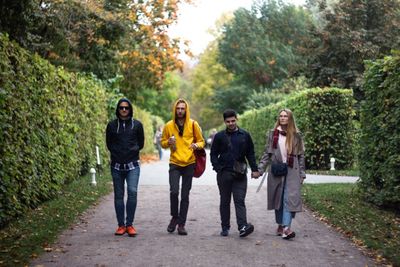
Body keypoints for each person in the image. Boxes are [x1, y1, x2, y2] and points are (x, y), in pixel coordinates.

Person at [210, 109, 260, 237]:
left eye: (233, 121)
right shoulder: (219, 136)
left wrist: (254, 169)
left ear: (236, 119)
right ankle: (225, 227)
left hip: (240, 173)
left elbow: (250, 153)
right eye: (228, 122)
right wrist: (217, 168)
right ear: (224, 122)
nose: (231, 123)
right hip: (224, 173)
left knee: (239, 200)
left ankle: (242, 226)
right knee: (225, 201)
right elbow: (213, 154)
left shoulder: (245, 135)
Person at [258, 108, 306, 240]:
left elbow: (301, 156)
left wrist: (302, 174)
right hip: (277, 170)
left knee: (289, 199)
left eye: (285, 116)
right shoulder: (272, 134)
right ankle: (280, 224)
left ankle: (286, 228)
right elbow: (266, 154)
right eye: (281, 116)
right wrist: (260, 169)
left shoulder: (297, 136)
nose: (283, 118)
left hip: (292, 170)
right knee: (278, 198)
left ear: (290, 119)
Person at [161, 98, 205, 235]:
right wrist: (168, 142)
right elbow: (162, 143)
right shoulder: (168, 125)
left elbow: (202, 141)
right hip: (174, 163)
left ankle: (181, 224)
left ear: (186, 110)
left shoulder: (193, 124)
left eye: (182, 108)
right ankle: (175, 216)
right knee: (174, 191)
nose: (180, 111)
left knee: (185, 195)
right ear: (175, 110)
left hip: (189, 163)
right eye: (178, 108)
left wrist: (196, 145)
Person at [106, 98, 144, 237]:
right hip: (116, 166)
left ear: (130, 109)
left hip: (133, 165)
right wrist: (117, 153)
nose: (123, 110)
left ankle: (130, 225)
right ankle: (121, 225)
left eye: (126, 108)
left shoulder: (137, 125)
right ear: (118, 109)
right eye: (121, 108)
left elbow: (141, 143)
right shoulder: (111, 125)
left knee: (132, 192)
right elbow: (109, 144)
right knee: (119, 195)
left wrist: (131, 151)